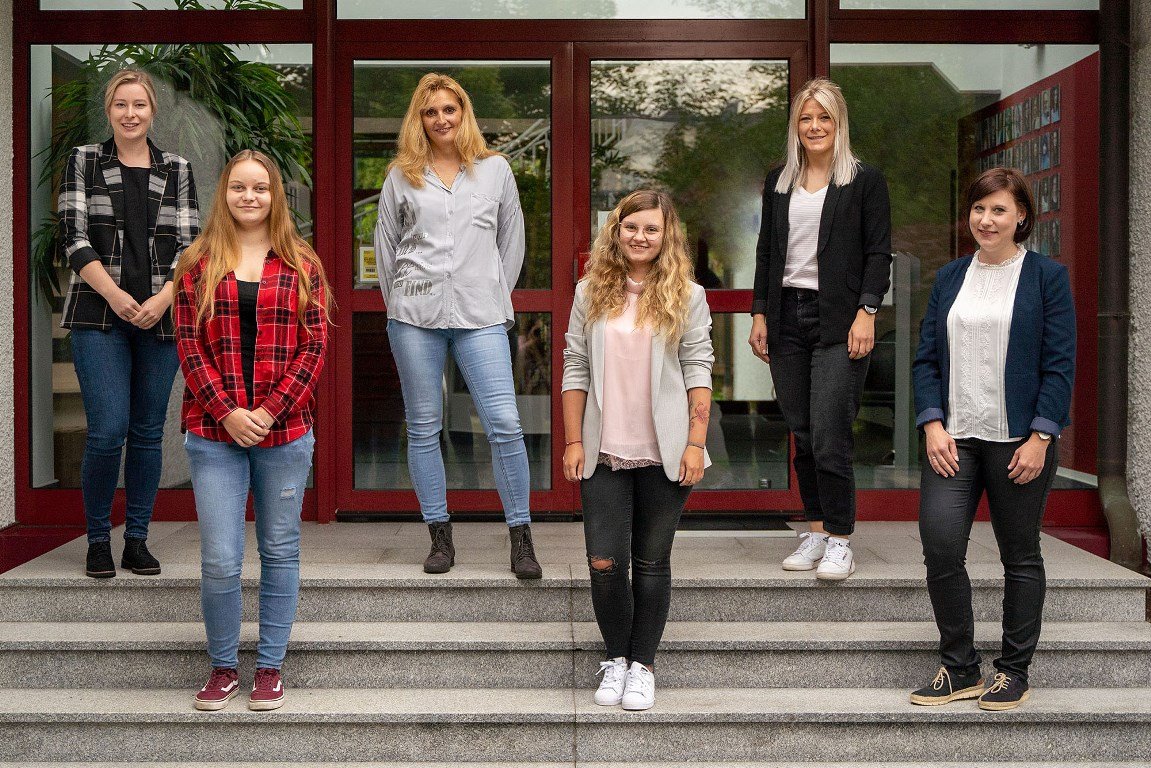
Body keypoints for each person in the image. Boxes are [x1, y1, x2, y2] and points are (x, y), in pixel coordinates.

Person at [909, 167, 1074, 711]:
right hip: (953, 440)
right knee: (940, 546)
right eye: (979, 209)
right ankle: (960, 667)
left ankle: (1012, 671)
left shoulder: (1047, 278)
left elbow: (1059, 364)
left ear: (1021, 215)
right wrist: (931, 423)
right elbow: (926, 358)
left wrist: (1042, 436)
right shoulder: (950, 277)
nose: (986, 219)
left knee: (1020, 555)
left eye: (998, 209)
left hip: (1018, 442)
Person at [174, 150, 330, 712]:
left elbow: (315, 346)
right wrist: (227, 412)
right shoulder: (197, 262)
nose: (249, 196)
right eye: (239, 187)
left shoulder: (301, 264)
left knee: (279, 550)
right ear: (224, 193)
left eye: (260, 188)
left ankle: (269, 668)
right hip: (212, 433)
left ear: (274, 195)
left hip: (284, 432)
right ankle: (222, 668)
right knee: (220, 557)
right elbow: (189, 346)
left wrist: (269, 411)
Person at [374, 73, 541, 578]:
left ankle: (521, 539)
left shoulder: (495, 170)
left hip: (481, 315)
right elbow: (386, 247)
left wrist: (491, 291)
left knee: (505, 424)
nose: (441, 119)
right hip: (414, 316)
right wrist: (399, 303)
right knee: (424, 427)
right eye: (430, 112)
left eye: (449, 109)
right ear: (419, 120)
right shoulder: (401, 175)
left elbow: (511, 241)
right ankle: (439, 537)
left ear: (464, 112)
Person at [562, 189, 714, 712]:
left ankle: (642, 665)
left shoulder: (688, 295)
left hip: (666, 449)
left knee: (651, 563)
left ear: (666, 235)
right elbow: (575, 366)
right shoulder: (589, 292)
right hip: (603, 449)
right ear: (616, 230)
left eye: (651, 229)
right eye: (631, 227)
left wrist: (695, 443)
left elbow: (698, 371)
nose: (640, 237)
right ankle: (616, 658)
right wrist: (574, 439)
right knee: (604, 562)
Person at [747, 77, 892, 580]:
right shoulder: (779, 182)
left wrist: (867, 311)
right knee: (804, 434)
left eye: (824, 117)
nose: (814, 126)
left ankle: (840, 539)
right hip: (786, 317)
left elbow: (878, 253)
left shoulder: (864, 181)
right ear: (796, 126)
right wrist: (759, 313)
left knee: (830, 435)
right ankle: (814, 531)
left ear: (839, 123)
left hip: (839, 320)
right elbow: (767, 252)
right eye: (806, 118)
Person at [58, 68, 200, 579]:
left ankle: (136, 540)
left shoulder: (176, 168)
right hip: (99, 314)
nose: (130, 113)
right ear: (109, 110)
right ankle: (98, 540)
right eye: (121, 104)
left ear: (152, 111)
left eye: (139, 104)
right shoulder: (84, 161)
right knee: (107, 430)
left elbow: (190, 245)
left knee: (146, 432)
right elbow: (73, 238)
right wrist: (117, 297)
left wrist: (163, 299)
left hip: (160, 317)